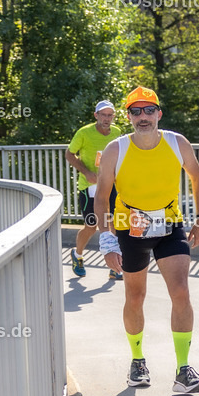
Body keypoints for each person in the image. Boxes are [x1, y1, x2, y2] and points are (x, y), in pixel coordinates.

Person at [93, 86, 199, 393]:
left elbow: (197, 177)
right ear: (128, 116)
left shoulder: (177, 143)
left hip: (170, 224)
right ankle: (137, 361)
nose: (142, 117)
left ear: (158, 114)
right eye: (135, 111)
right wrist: (107, 240)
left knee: (181, 292)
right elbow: (102, 197)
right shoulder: (116, 149)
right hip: (130, 229)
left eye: (148, 111)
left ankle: (183, 370)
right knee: (135, 297)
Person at [66, 100, 123, 280]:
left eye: (110, 115)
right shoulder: (84, 133)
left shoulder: (117, 132)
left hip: (110, 184)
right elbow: (69, 154)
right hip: (89, 185)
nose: (107, 119)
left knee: (114, 223)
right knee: (91, 225)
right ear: (96, 115)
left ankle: (115, 266)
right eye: (103, 115)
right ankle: (78, 255)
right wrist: (86, 171)